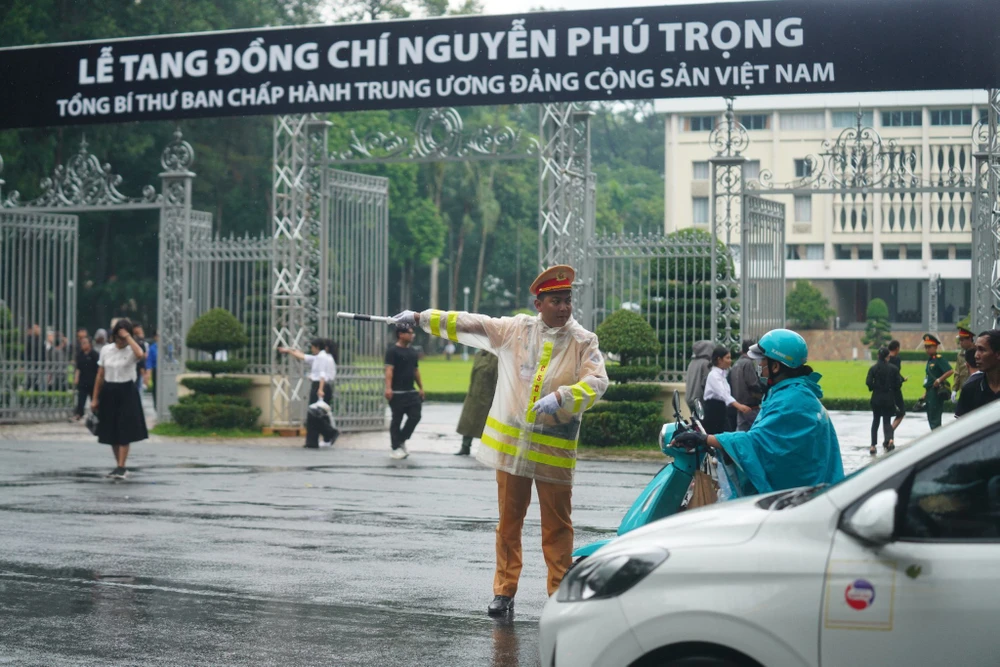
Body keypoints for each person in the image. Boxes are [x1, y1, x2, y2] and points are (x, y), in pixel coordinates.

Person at [392, 264, 608, 617]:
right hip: (514, 452)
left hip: (554, 452)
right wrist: (421, 317)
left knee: (558, 527)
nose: (565, 307)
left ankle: (558, 593)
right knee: (509, 523)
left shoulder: (585, 341)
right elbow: (471, 323)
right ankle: (504, 591)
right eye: (556, 300)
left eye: (568, 300)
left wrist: (564, 396)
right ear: (539, 303)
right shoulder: (517, 330)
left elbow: (598, 381)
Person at [671, 329, 845, 495]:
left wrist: (705, 439)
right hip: (809, 492)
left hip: (801, 498)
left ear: (776, 366)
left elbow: (757, 443)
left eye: (763, 361)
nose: (759, 365)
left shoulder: (791, 401)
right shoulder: (793, 392)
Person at [91, 318, 148, 479]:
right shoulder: (106, 350)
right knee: (112, 430)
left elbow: (140, 354)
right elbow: (100, 375)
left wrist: (129, 338)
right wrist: (95, 398)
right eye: (118, 337)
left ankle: (122, 466)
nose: (120, 341)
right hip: (109, 390)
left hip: (127, 390)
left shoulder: (132, 349)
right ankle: (118, 465)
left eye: (123, 337)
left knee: (124, 429)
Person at [278, 338, 338, 449]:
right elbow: (304, 357)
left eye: (312, 347)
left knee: (315, 415)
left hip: (320, 385)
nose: (311, 349)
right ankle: (313, 441)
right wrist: (289, 351)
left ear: (317, 347)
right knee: (316, 414)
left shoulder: (322, 357)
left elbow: (322, 374)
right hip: (322, 385)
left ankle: (329, 433)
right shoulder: (321, 357)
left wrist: (320, 389)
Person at [384, 323, 424, 459]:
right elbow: (389, 370)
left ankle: (401, 439)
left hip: (411, 391)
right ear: (401, 334)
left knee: (415, 416)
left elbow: (415, 370)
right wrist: (388, 388)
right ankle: (395, 447)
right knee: (397, 419)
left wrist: (421, 388)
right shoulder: (392, 351)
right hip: (397, 392)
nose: (412, 335)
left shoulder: (413, 352)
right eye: (409, 333)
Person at [455, 348, 499, 456]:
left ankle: (486, 451)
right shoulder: (479, 355)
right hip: (474, 395)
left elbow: (496, 379)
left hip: (487, 396)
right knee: (467, 422)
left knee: (485, 425)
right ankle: (465, 446)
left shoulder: (495, 357)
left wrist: (495, 398)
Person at [702, 345, 752, 435]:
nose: (730, 361)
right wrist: (739, 406)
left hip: (721, 409)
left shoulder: (723, 374)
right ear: (719, 359)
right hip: (713, 411)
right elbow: (723, 394)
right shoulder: (713, 375)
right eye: (727, 358)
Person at [866, 347, 903, 455]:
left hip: (876, 398)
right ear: (888, 357)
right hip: (888, 398)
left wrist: (874, 387)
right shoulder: (893, 368)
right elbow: (898, 384)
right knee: (887, 421)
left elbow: (868, 382)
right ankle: (889, 439)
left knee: (875, 421)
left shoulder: (873, 368)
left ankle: (873, 445)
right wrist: (893, 390)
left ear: (878, 356)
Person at [955, 330, 1000, 417]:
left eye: (982, 350)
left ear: (998, 354)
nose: (976, 355)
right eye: (976, 350)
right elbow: (962, 427)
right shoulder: (970, 388)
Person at [920, 333, 954, 430]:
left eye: (929, 347)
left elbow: (950, 371)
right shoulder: (930, 360)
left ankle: (937, 437)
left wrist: (939, 380)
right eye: (925, 347)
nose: (927, 349)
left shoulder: (939, 359)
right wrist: (925, 393)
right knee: (930, 415)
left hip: (936, 392)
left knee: (935, 417)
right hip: (930, 391)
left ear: (935, 347)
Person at [729, 339, 763, 431]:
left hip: (740, 406)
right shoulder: (748, 363)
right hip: (751, 407)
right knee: (758, 430)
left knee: (741, 432)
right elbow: (753, 384)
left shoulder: (736, 363)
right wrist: (762, 392)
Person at [73, 336, 99, 420]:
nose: (83, 345)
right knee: (81, 399)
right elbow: (78, 368)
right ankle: (79, 414)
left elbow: (99, 369)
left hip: (93, 381)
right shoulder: (80, 354)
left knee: (94, 399)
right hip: (83, 380)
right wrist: (76, 378)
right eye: (82, 343)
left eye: (85, 343)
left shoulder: (94, 354)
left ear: (90, 344)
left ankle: (96, 414)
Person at [684, 340, 714, 413]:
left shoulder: (692, 362)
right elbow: (707, 383)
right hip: (700, 401)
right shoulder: (705, 363)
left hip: (689, 399)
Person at [951, 324, 977, 403]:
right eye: (960, 340)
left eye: (962, 340)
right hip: (964, 389)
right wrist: (955, 389)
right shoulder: (960, 354)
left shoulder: (978, 352)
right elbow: (957, 373)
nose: (960, 343)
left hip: (976, 388)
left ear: (969, 339)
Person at [887, 340, 907, 433]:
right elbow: (896, 373)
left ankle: (888, 435)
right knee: (901, 412)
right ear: (897, 348)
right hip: (895, 390)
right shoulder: (897, 359)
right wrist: (902, 379)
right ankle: (890, 431)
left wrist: (902, 378)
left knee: (887, 415)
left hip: (885, 390)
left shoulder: (885, 359)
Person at [132, 323, 149, 402]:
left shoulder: (140, 340)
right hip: (134, 367)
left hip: (138, 368)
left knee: (138, 388)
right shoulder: (134, 340)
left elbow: (144, 355)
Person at [146, 331, 158, 409]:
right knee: (156, 389)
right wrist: (148, 374)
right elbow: (149, 361)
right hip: (156, 370)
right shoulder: (152, 348)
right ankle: (156, 406)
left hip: (167, 369)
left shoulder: (168, 346)